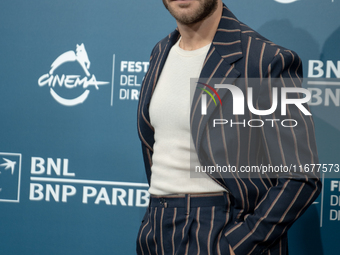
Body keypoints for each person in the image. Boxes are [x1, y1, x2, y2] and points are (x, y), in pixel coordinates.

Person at [137, 1, 321, 254]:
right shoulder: (160, 52)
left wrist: (239, 243)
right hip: (157, 233)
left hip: (223, 229)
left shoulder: (265, 60)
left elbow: (301, 176)